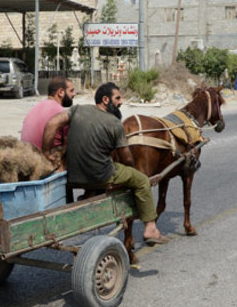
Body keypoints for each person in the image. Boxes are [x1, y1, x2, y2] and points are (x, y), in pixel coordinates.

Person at [42, 82, 169, 245]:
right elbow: (126, 158)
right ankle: (151, 228)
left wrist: (46, 151)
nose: (121, 102)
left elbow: (52, 123)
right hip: (101, 176)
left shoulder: (77, 110)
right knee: (142, 180)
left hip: (74, 176)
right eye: (117, 98)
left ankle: (90, 193)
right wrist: (133, 172)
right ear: (105, 99)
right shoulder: (115, 123)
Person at [20, 77, 76, 152]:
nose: (74, 94)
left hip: (27, 158)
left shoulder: (34, 109)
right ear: (61, 92)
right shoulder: (61, 113)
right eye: (71, 91)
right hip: (44, 161)